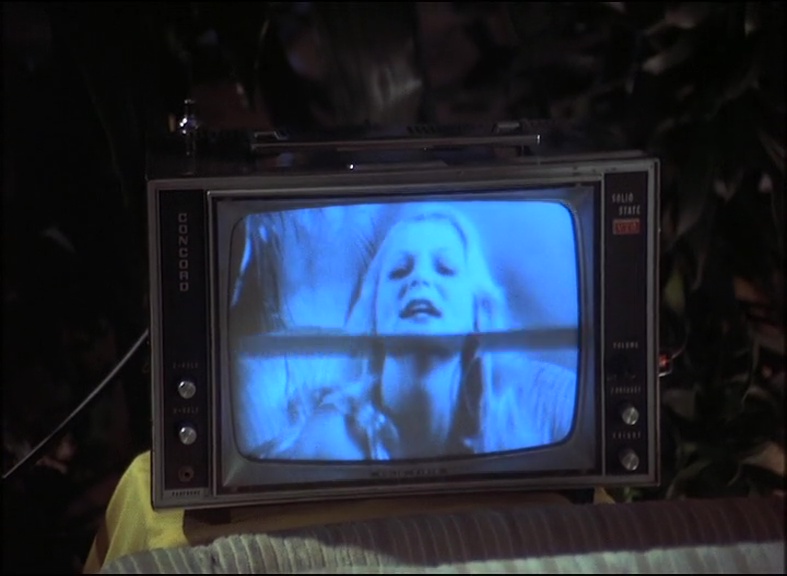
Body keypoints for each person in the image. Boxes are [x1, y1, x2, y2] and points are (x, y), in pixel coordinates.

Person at [256, 204, 577, 461]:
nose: (420, 278)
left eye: (445, 268)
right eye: (399, 271)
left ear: (479, 313)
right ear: (372, 316)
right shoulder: (329, 437)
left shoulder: (550, 398)